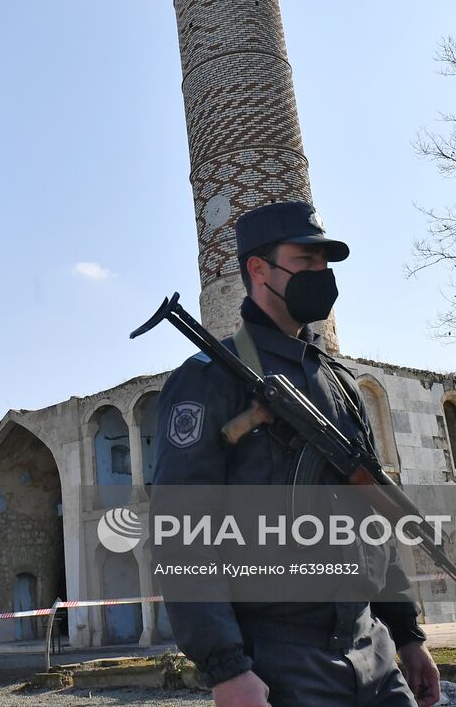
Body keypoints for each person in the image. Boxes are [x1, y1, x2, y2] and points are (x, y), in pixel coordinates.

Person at [151, 201, 441, 707]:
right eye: (306, 260)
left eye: (325, 263)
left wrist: (408, 636)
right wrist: (226, 668)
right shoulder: (208, 380)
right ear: (259, 269)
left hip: (372, 649)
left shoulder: (340, 383)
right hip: (280, 659)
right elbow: (181, 533)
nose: (321, 274)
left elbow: (374, 514)